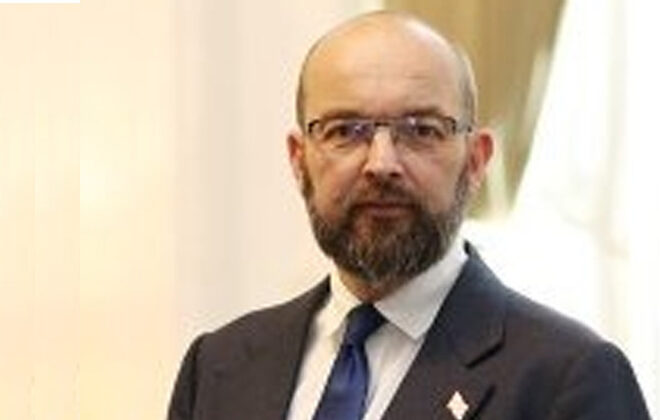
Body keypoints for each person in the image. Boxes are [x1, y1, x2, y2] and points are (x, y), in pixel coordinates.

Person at [167, 11, 651, 420]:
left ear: (476, 160)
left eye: (421, 130)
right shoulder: (219, 368)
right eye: (345, 130)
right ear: (299, 160)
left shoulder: (569, 378)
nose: (381, 164)